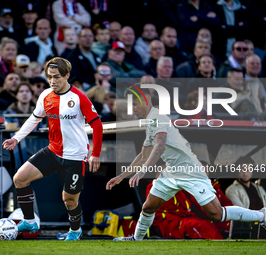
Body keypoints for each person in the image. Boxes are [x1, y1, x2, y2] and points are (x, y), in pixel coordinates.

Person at [106, 86, 266, 242]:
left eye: (134, 103)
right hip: (172, 171)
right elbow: (143, 155)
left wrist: (142, 172)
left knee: (216, 214)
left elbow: (160, 146)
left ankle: (261, 215)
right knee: (148, 207)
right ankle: (136, 239)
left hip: (190, 171)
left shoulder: (157, 118)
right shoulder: (150, 122)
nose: (132, 108)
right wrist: (121, 176)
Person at [2, 57, 103, 241]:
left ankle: (75, 231)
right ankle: (30, 221)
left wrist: (95, 154)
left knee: (69, 200)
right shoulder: (45, 95)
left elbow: (97, 125)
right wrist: (16, 138)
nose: (52, 81)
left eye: (56, 77)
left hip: (75, 156)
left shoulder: (79, 97)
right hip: (52, 151)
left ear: (67, 75)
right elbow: (34, 118)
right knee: (20, 179)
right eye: (49, 77)